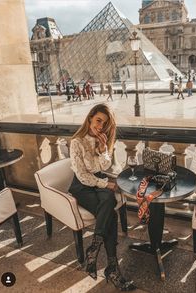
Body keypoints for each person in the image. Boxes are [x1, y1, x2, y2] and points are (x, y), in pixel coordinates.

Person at [69, 104, 136, 291]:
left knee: (108, 201)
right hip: (82, 187)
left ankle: (94, 249)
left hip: (97, 181)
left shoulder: (101, 139)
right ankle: (113, 271)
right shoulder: (76, 141)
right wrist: (106, 184)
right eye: (98, 120)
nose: (100, 126)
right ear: (90, 117)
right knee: (111, 210)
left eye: (104, 123)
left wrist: (102, 148)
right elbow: (83, 176)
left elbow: (104, 166)